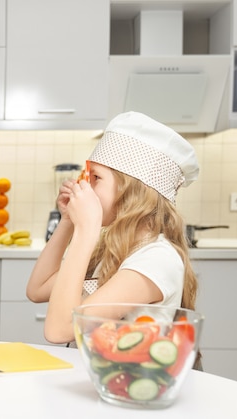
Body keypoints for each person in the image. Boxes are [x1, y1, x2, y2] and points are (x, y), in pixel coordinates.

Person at [26, 111, 200, 346]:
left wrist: (86, 231)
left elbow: (59, 331)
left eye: (96, 177)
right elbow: (37, 289)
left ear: (130, 191)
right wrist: (68, 220)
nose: (84, 184)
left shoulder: (156, 259)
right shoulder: (115, 248)